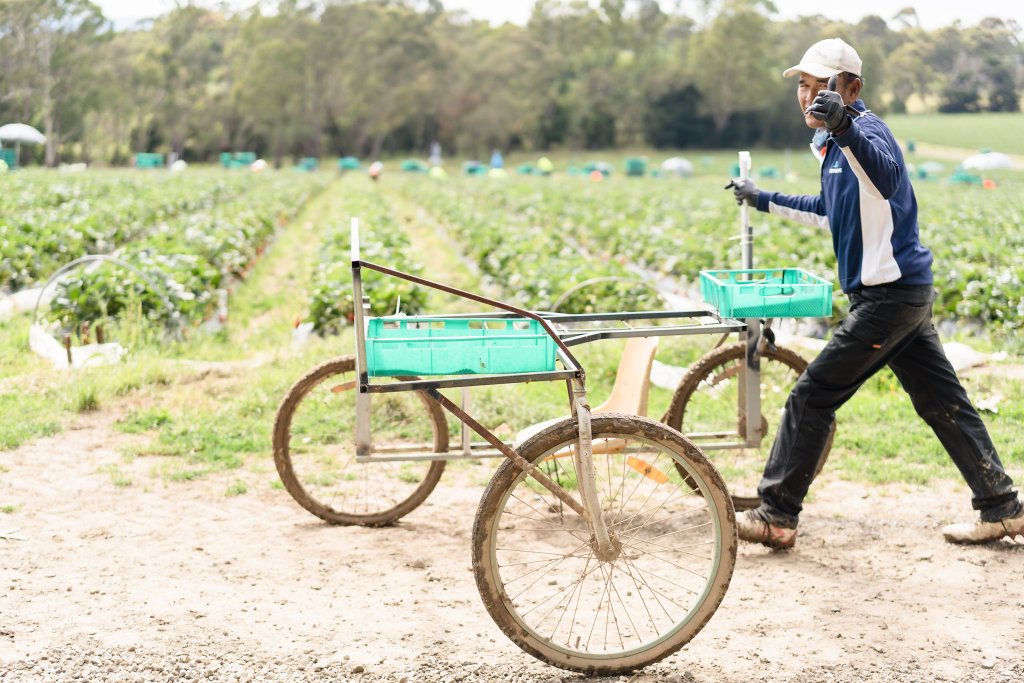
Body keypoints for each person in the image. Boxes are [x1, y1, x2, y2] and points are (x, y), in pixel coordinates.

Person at [726, 37, 1022, 549]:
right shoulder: (834, 148)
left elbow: (885, 177)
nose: (807, 95)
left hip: (889, 299)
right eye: (802, 85)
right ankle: (1003, 508)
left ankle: (777, 515)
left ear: (851, 89)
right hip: (901, 296)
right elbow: (828, 208)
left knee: (812, 396)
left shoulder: (866, 132)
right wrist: (764, 199)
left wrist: (844, 126)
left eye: (821, 86)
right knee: (942, 401)